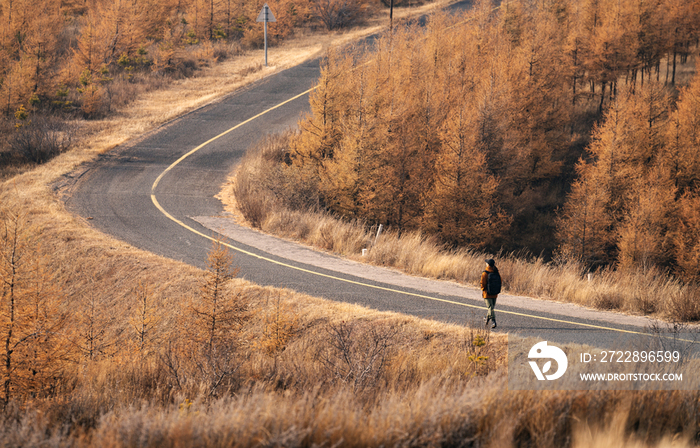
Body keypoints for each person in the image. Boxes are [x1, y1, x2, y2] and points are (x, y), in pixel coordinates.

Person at [481, 258, 501, 329]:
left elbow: (482, 283)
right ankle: (486, 319)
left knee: (490, 308)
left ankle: (493, 321)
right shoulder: (496, 272)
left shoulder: (485, 273)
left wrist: (483, 289)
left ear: (488, 264)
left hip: (487, 293)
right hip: (495, 293)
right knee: (491, 308)